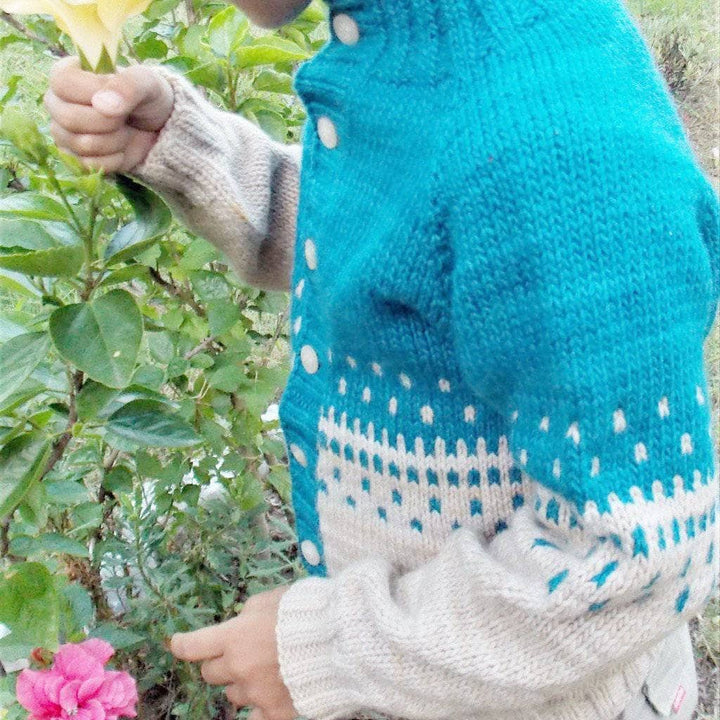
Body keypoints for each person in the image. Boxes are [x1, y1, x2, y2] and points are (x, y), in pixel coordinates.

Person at [44, 0, 720, 718]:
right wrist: (186, 147)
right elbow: (395, 247)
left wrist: (323, 652)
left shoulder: (553, 133)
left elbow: (632, 559)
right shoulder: (434, 55)